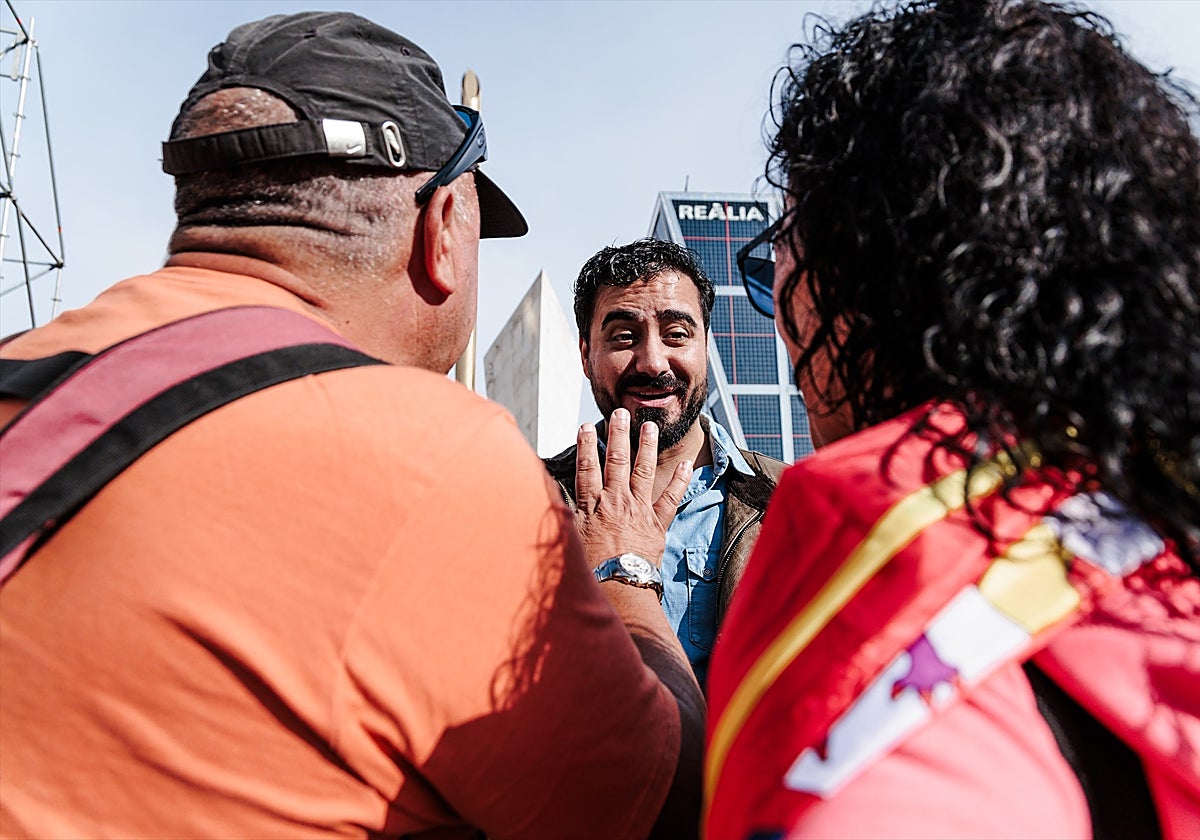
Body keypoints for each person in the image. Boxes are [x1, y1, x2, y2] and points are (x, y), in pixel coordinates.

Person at [0, 13, 704, 838]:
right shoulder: (434, 456)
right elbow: (659, 801)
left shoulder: (29, 368)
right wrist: (626, 570)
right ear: (442, 232)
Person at [705, 0, 1200, 837]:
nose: (778, 325)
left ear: (863, 275)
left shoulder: (876, 559)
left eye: (776, 268)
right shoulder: (1164, 499)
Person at [544, 238, 786, 690]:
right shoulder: (524, 498)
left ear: (706, 347)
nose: (654, 363)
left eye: (676, 335)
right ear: (584, 355)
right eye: (623, 337)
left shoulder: (788, 500)